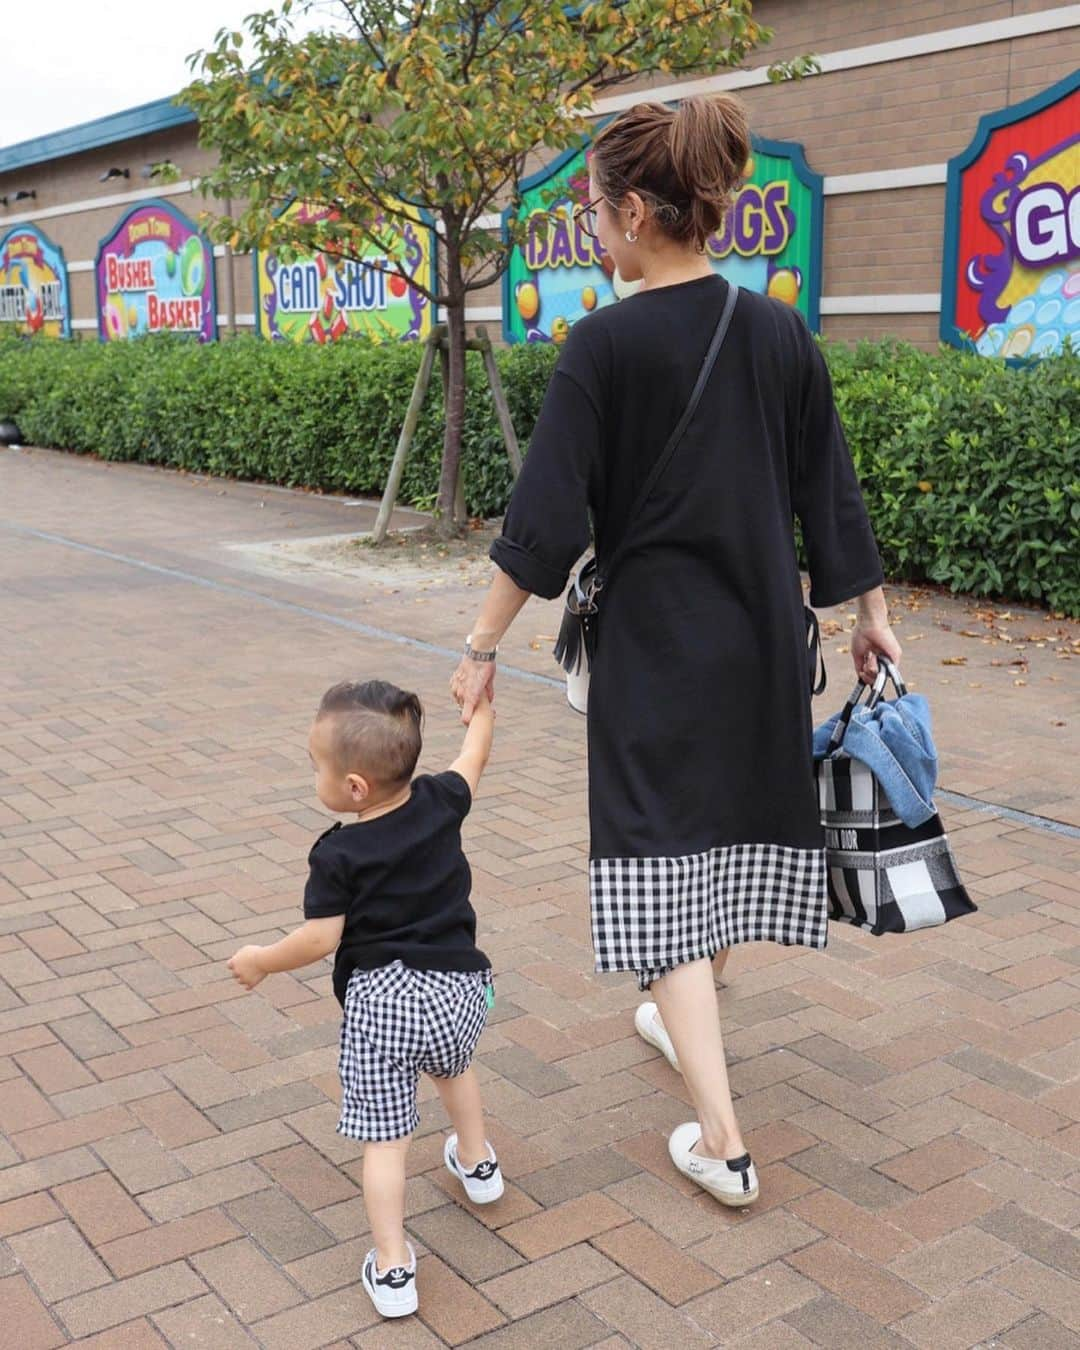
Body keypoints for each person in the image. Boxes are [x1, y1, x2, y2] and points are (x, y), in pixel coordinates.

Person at [450, 95, 901, 1208]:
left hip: (654, 655)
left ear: (640, 212)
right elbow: (829, 495)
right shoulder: (779, 333)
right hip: (760, 645)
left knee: (659, 855)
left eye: (598, 214)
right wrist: (871, 612)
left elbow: (546, 520)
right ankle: (675, 1014)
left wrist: (480, 646)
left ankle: (723, 1140)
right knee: (726, 838)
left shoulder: (602, 346)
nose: (594, 235)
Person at [226, 679, 502, 1319]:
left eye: (315, 767)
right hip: (463, 988)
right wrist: (480, 708)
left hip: (385, 1002)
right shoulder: (439, 799)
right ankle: (479, 1163)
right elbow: (476, 754)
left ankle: (395, 1266)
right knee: (455, 1070)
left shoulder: (338, 853)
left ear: (354, 788)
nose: (312, 777)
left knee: (386, 1142)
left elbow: (320, 938)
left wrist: (262, 961)